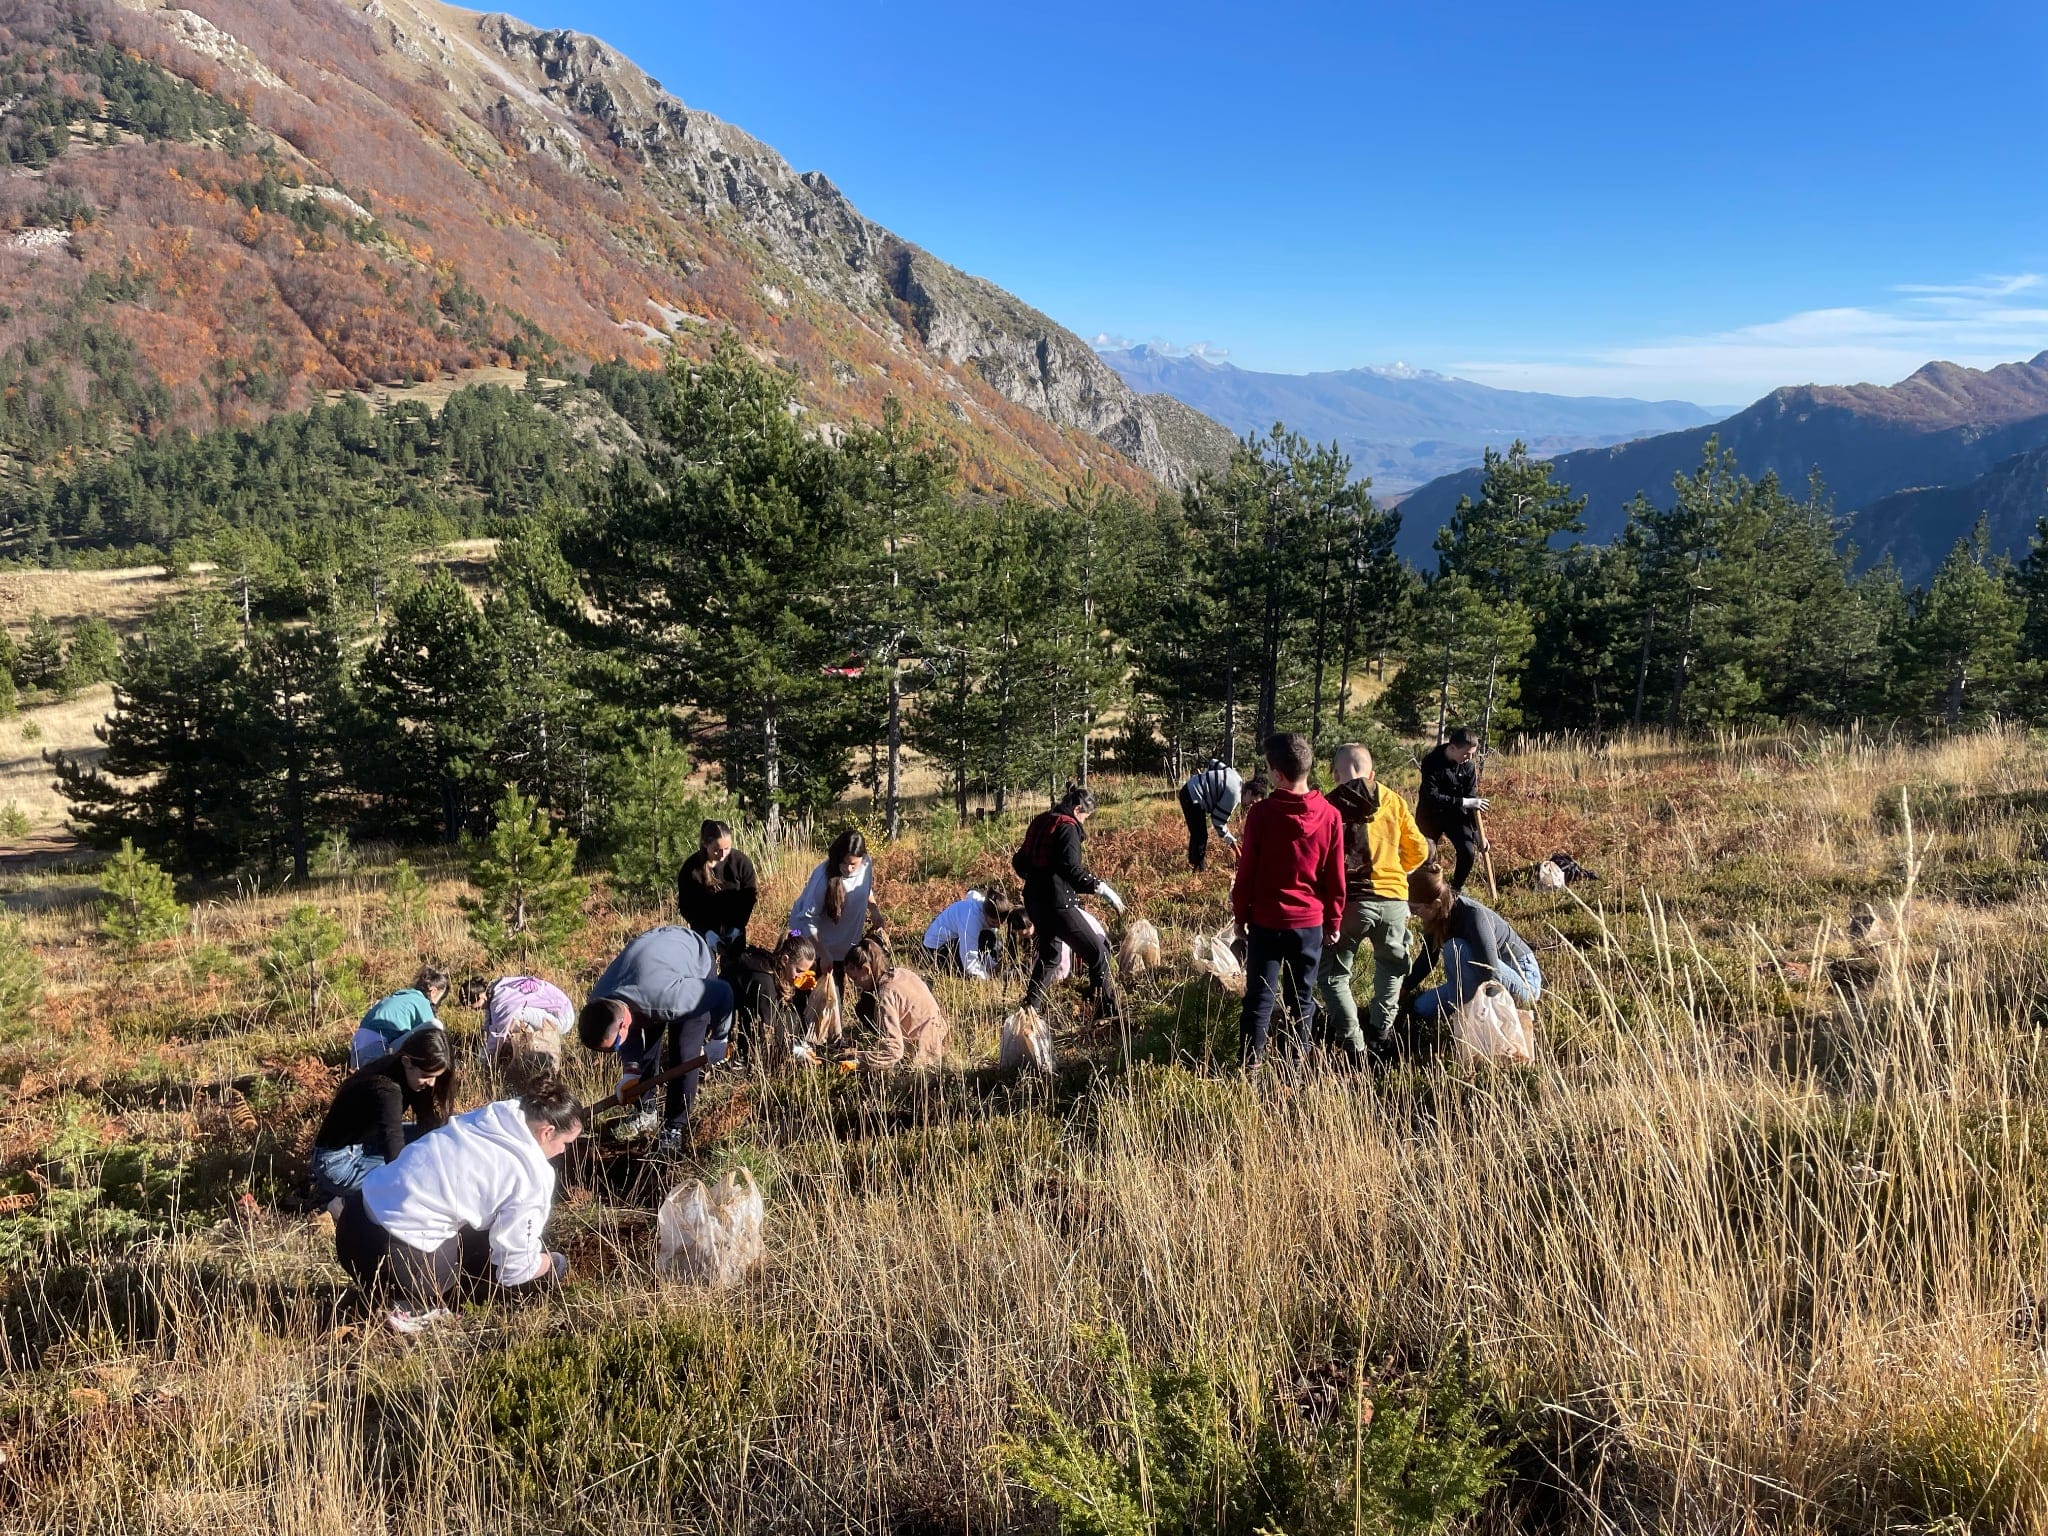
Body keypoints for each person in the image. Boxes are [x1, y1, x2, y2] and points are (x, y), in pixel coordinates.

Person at [334, 1079, 582, 1332]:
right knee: (544, 1268)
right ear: (547, 1132)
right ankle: (416, 1305)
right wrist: (550, 1264)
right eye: (565, 1143)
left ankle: (389, 1290)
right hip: (397, 1261)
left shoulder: (487, 1120)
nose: (563, 1151)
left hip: (352, 1229)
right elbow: (514, 1269)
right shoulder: (532, 1174)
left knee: (476, 1223)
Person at [1230, 732, 1344, 1070]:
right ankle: (1295, 1069)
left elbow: (1246, 872)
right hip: (1309, 924)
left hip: (1266, 922)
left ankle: (1249, 1069)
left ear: (1278, 774)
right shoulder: (1330, 815)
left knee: (1259, 999)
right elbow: (1335, 877)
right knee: (1302, 1000)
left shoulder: (1262, 815)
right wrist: (1333, 921)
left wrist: (1240, 915)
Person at [1316, 744, 1431, 1065]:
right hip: (1393, 900)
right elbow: (1419, 850)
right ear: (1372, 773)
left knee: (1334, 977)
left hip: (1347, 905)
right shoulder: (1392, 800)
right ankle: (1381, 1032)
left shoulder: (1327, 807)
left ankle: (1353, 1042)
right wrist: (1398, 871)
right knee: (1392, 969)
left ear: (1335, 774)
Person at [576, 926, 735, 1152]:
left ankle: (674, 1127)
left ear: (623, 1023)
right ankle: (646, 1110)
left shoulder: (673, 1000)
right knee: (647, 1047)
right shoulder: (600, 1002)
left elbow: (723, 993)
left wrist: (720, 1037)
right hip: (652, 965)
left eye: (615, 1047)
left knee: (684, 1054)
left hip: (692, 961)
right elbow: (627, 1035)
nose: (615, 1052)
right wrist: (631, 1070)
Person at [1014, 783, 1124, 1020]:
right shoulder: (1068, 827)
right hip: (1058, 904)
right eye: (1086, 816)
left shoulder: (1041, 821)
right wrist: (1102, 889)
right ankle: (1105, 1015)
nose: (1085, 822)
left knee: (1050, 956)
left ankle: (1028, 1012)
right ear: (1077, 809)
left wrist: (1036, 880)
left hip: (1034, 900)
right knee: (1098, 954)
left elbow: (1019, 861)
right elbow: (1072, 869)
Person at [310, 1028, 455, 1200]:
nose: (432, 1083)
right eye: (426, 1076)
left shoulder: (403, 1071)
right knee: (418, 1174)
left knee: (440, 1134)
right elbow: (394, 1154)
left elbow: (427, 1126)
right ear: (407, 1061)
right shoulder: (386, 1089)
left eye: (436, 1076)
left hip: (365, 1142)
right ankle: (348, 1205)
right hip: (337, 1164)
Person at [1402, 863, 1542, 1024]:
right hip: (1479, 974)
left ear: (1436, 904)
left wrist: (1482, 1018)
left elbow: (1491, 973)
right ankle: (1465, 1008)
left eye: (1414, 909)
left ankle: (1465, 1016)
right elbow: (1428, 958)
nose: (1413, 914)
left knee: (1455, 948)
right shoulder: (1435, 918)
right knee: (1422, 1007)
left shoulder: (1473, 916)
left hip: (1520, 977)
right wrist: (1404, 988)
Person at [787, 828, 874, 1017]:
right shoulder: (823, 878)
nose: (849, 868)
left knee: (834, 994)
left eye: (853, 864)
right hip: (812, 942)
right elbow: (807, 919)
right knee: (809, 993)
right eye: (844, 863)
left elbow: (866, 890)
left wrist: (874, 911)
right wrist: (823, 953)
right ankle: (801, 1035)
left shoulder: (867, 864)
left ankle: (832, 1037)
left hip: (843, 945)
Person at [842, 937, 950, 1069]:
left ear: (866, 970)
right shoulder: (902, 973)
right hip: (942, 1035)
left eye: (855, 978)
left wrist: (858, 1060)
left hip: (923, 1052)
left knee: (864, 1007)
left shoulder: (885, 996)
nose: (855, 984)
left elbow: (893, 1051)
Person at [729, 932, 820, 1065]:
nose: (801, 976)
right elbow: (766, 1029)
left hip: (750, 1023)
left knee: (792, 1016)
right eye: (799, 971)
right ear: (785, 960)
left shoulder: (776, 972)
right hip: (734, 1030)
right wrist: (791, 1050)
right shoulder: (764, 981)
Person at [1415, 728, 1489, 891]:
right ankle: (1424, 890)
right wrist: (1465, 802)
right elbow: (1432, 796)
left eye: (1472, 754)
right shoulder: (1431, 762)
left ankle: (1456, 889)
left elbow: (1471, 799)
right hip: (1430, 815)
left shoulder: (1468, 767)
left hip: (1455, 816)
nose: (1469, 758)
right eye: (1466, 754)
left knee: (1468, 852)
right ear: (1453, 748)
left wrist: (1477, 833)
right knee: (1424, 855)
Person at [676, 819, 758, 960]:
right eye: (717, 850)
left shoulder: (741, 863)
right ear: (705, 844)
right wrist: (706, 932)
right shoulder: (690, 869)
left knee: (735, 968)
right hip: (703, 929)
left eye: (727, 848)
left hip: (735, 927)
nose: (722, 854)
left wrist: (737, 927)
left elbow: (749, 897)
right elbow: (686, 906)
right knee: (706, 968)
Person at [461, 974, 574, 1069]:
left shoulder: (500, 1004)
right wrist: (484, 1039)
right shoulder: (494, 989)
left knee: (514, 1015)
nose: (471, 1009)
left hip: (562, 1019)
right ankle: (522, 1050)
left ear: (481, 996)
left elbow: (497, 1035)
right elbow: (490, 1021)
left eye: (471, 1005)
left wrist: (483, 1062)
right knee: (509, 1017)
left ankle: (530, 1055)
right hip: (557, 1011)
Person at [351, 967, 450, 1069]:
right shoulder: (422, 1002)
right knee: (435, 1026)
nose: (438, 1003)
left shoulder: (398, 996)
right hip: (377, 1048)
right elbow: (431, 1037)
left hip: (356, 1048)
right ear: (433, 991)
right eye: (440, 999)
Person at [921, 888, 1019, 980]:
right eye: (994, 922)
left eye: (1000, 923)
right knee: (985, 939)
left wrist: (993, 966)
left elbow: (984, 945)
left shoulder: (988, 908)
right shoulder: (970, 918)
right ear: (985, 913)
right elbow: (969, 957)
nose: (998, 926)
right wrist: (986, 978)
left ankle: (989, 969)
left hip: (955, 940)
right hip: (935, 950)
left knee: (990, 937)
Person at [1178, 757, 1244, 872]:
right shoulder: (1234, 796)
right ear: (1249, 792)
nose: (1250, 806)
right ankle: (1199, 871)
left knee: (1198, 833)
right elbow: (1218, 821)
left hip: (1190, 789)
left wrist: (1206, 779)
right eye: (1252, 801)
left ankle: (1195, 866)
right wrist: (1235, 848)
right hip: (1192, 796)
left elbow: (1214, 762)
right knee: (1200, 835)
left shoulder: (1237, 777)